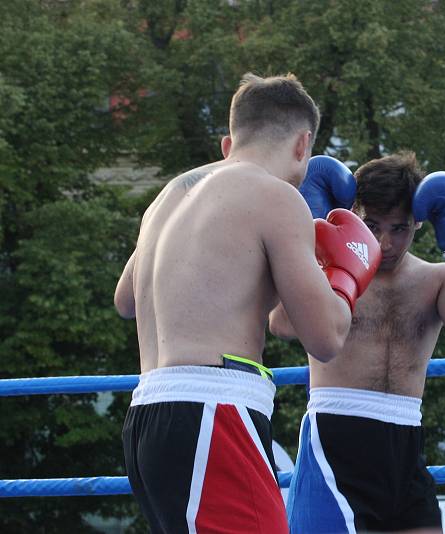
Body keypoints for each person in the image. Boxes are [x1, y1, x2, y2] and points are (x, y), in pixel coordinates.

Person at [113, 73, 380, 534]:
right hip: (214, 413)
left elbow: (125, 300)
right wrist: (345, 275)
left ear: (228, 143)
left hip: (148, 416)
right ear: (303, 145)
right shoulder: (277, 197)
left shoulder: (168, 196)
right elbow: (327, 337)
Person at [269, 151, 445, 533]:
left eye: (399, 228)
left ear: (418, 225)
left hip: (406, 445)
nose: (385, 242)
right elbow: (281, 324)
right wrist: (317, 253)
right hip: (336, 439)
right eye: (372, 225)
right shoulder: (328, 272)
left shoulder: (436, 279)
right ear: (352, 211)